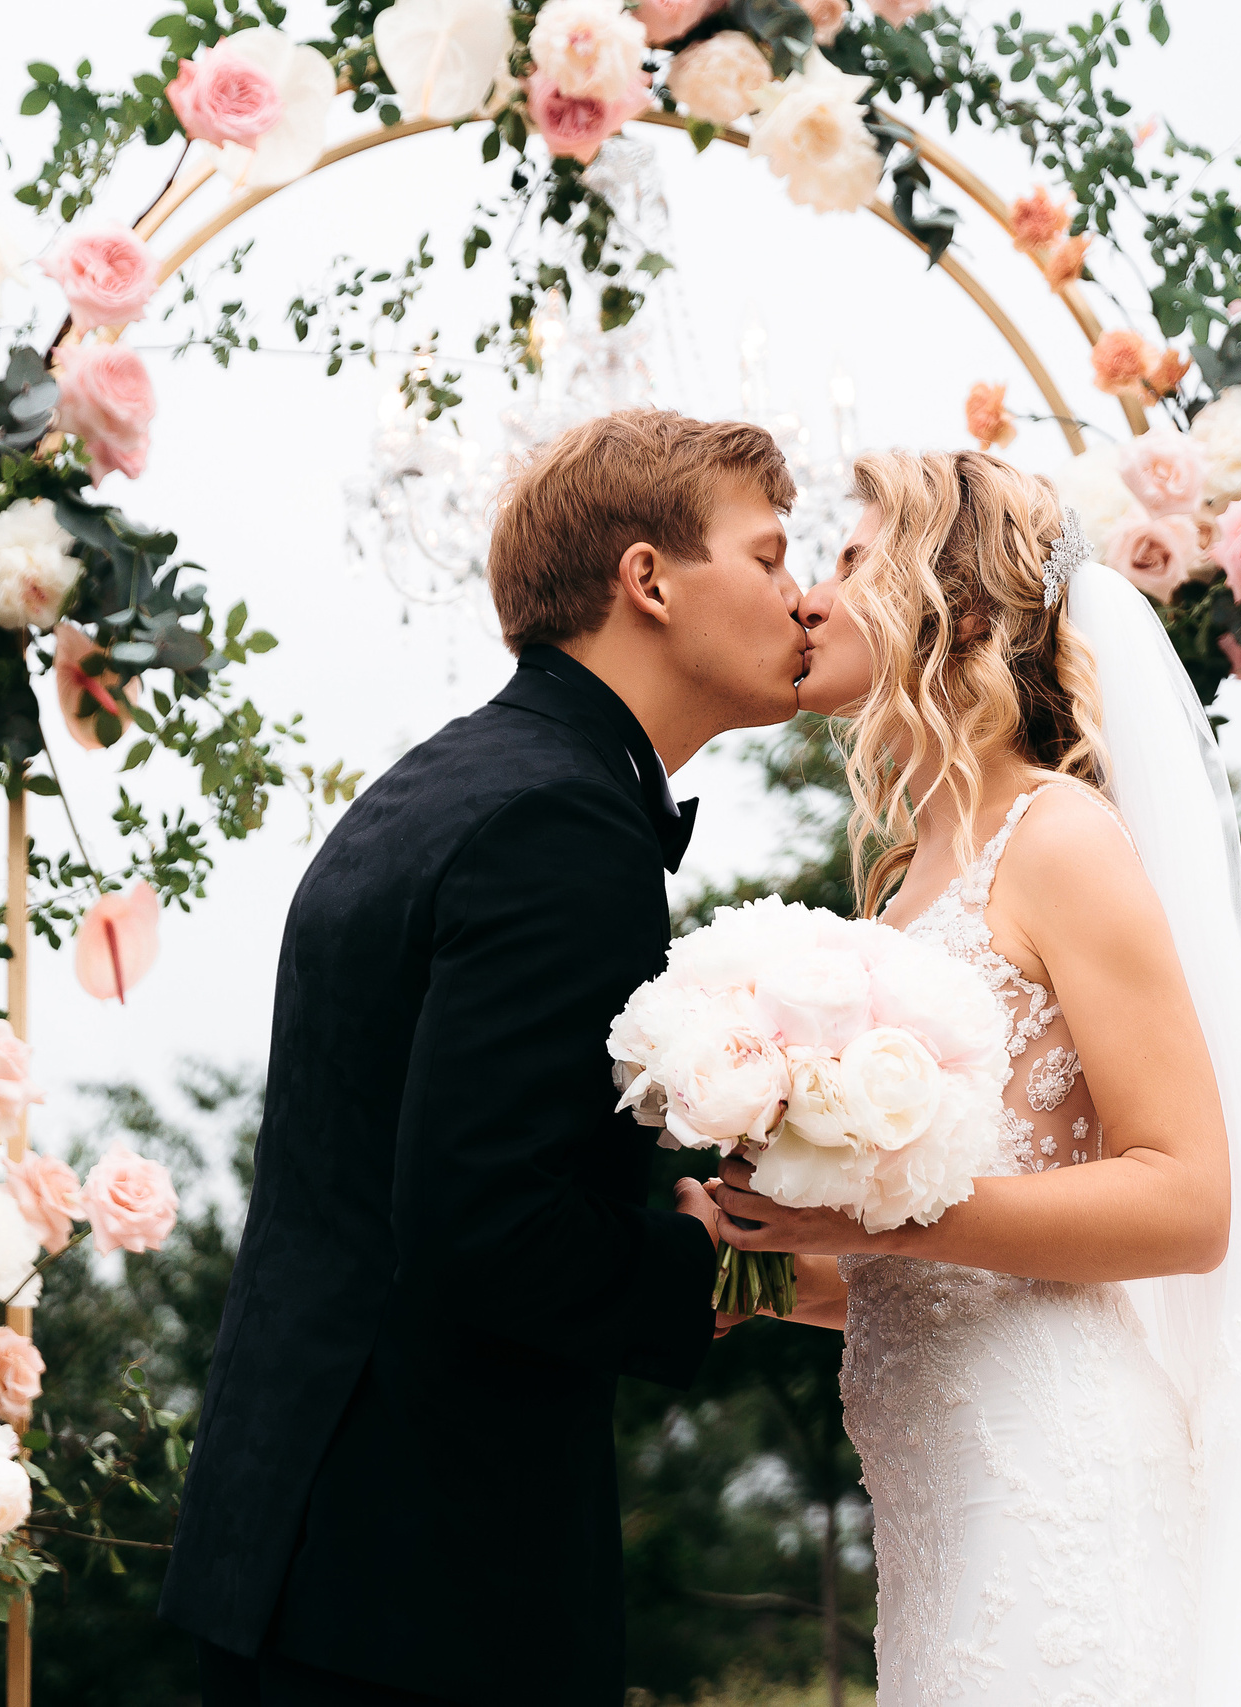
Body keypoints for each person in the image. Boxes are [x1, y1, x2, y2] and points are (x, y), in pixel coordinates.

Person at [706, 450, 1241, 1706]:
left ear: (951, 604)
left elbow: (1184, 1204)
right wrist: (753, 1249)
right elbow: (936, 1266)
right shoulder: (909, 870)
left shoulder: (1058, 837)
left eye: (850, 561)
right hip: (939, 1503)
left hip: (1056, 1477)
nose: (808, 596)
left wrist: (877, 1214)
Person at [159, 409, 809, 1706]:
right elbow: (487, 1223)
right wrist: (731, 1262)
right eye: (774, 554)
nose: (806, 600)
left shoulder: (445, 782)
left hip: (300, 1550)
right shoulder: (565, 823)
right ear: (651, 580)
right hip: (418, 1592)